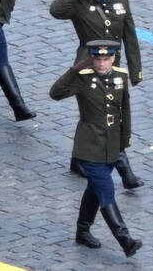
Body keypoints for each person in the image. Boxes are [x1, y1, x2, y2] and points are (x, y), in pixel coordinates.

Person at [50, 0, 144, 188]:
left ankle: (78, 160)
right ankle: (126, 174)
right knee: (98, 114)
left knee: (103, 113)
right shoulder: (80, 4)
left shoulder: (122, 4)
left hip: (115, 67)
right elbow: (55, 10)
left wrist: (135, 71)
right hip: (89, 65)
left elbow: (130, 39)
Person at [50, 40, 141, 257]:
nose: (101, 63)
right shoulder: (83, 78)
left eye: (106, 59)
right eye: (97, 59)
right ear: (92, 58)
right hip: (89, 147)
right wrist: (74, 70)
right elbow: (55, 93)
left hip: (111, 146)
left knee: (94, 190)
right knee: (106, 190)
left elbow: (124, 110)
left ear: (113, 58)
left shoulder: (121, 76)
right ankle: (125, 240)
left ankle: (82, 231)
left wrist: (124, 142)